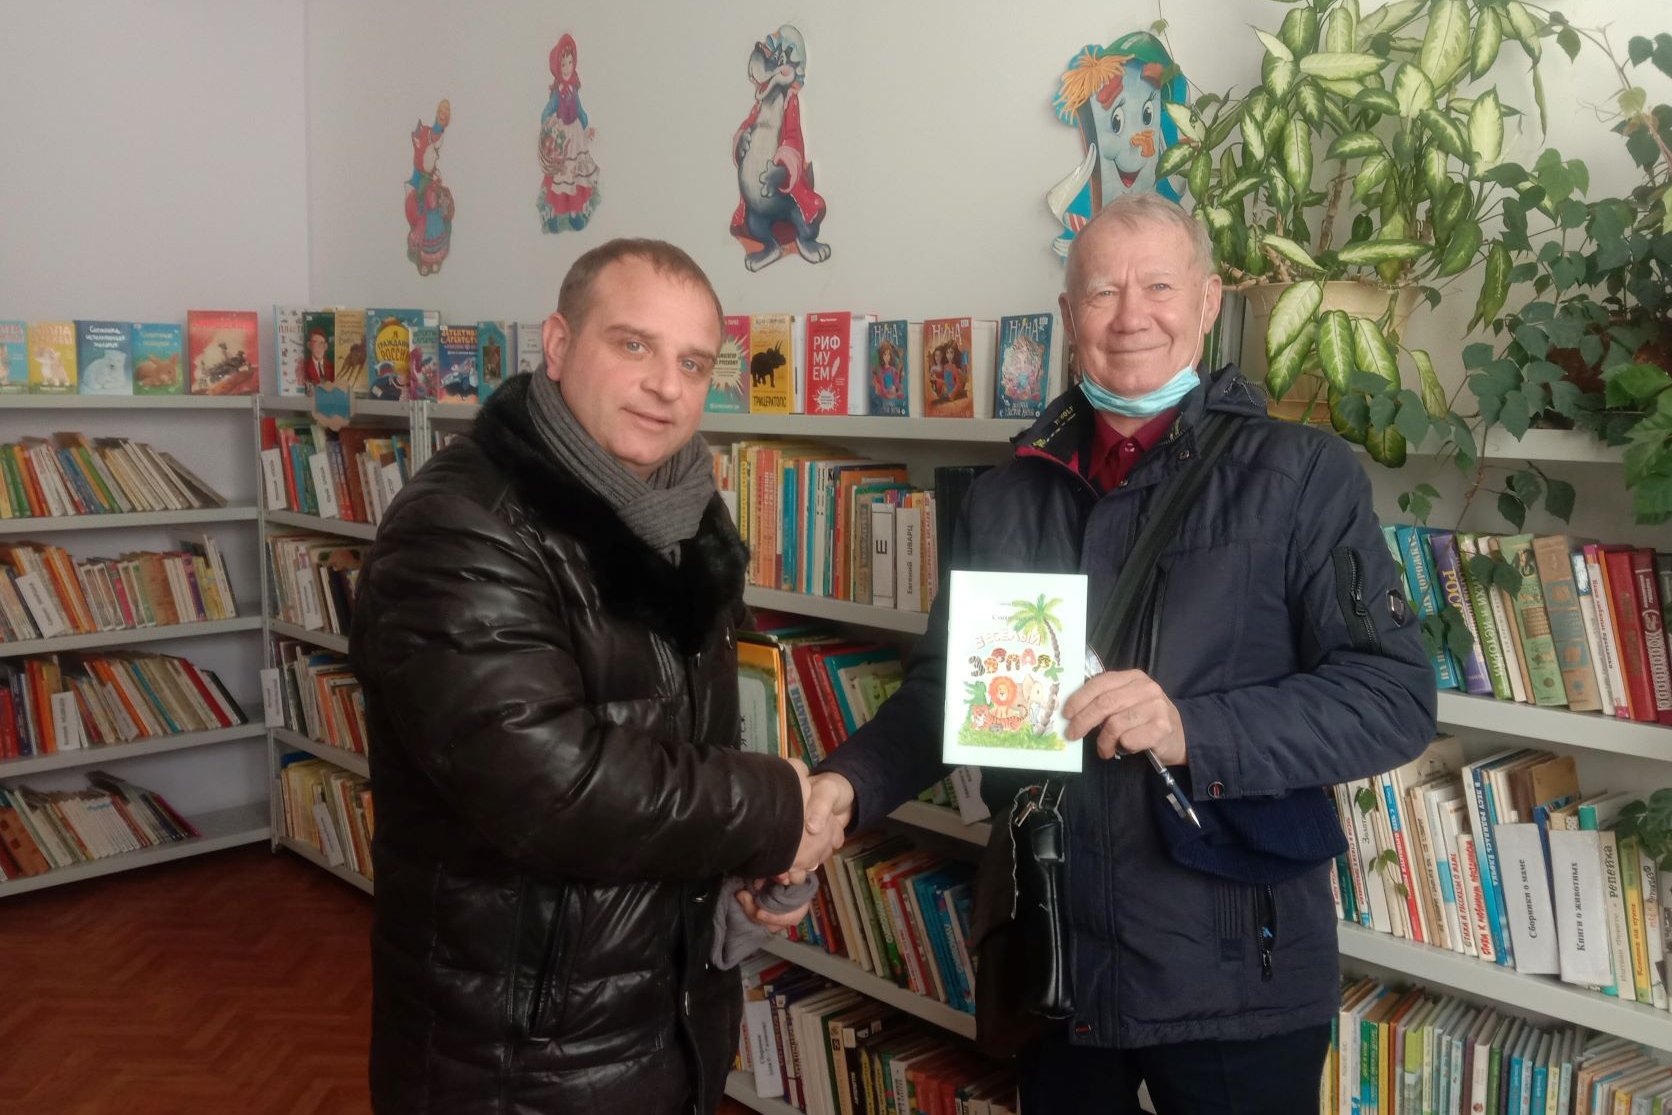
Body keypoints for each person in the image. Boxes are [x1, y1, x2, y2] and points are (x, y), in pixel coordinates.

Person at [800, 193, 1436, 1113]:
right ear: (1070, 316)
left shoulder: (1303, 475)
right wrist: (847, 783)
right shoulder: (1006, 494)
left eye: (1160, 287)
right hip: (1059, 961)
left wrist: (1191, 727)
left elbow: (1391, 696)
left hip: (1237, 977)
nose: (1131, 315)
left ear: (1209, 302)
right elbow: (952, 689)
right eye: (1102, 292)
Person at [350, 238, 825, 1114]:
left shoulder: (687, 510)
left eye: (694, 362)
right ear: (560, 344)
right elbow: (552, 787)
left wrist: (754, 867)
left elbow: (700, 737)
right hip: (518, 1058)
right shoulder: (458, 524)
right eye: (633, 344)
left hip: (664, 1017)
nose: (666, 385)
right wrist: (775, 808)